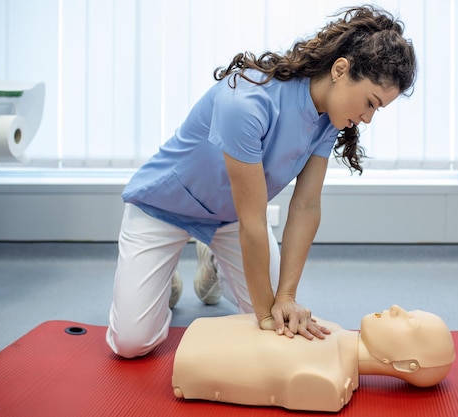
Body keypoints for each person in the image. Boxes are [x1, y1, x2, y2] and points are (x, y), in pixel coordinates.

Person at [106, 5, 417, 358]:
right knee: (132, 343)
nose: (368, 118)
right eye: (370, 103)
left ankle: (210, 257)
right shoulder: (246, 102)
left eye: (377, 110)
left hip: (231, 219)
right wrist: (269, 314)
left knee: (269, 321)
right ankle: (165, 280)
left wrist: (285, 297)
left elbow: (306, 204)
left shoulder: (330, 120)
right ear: (341, 69)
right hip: (162, 208)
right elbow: (254, 221)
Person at [172, 305, 456, 412]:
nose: (396, 309)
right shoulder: (330, 329)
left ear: (408, 365)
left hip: (190, 364)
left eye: (409, 322)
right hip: (200, 341)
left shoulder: (326, 381)